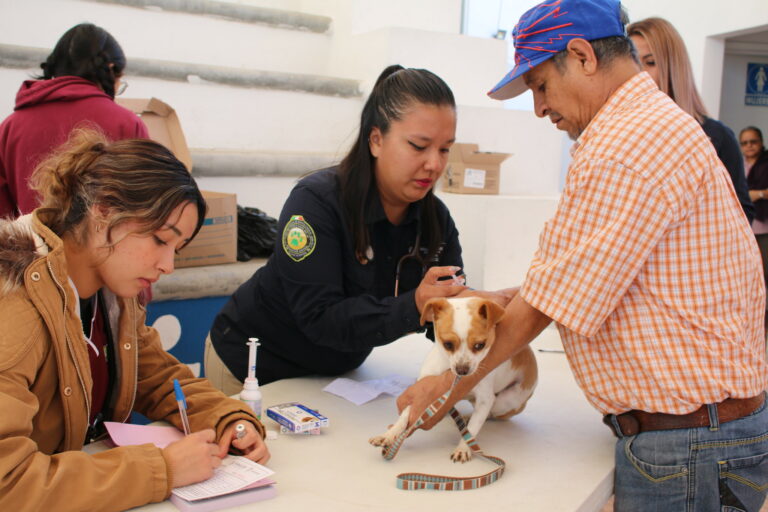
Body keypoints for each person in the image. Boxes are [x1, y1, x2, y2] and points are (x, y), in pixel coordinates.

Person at [397, 1, 768, 510]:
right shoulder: (649, 126)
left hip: (689, 444)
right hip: (699, 435)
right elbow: (585, 276)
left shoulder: (625, 144)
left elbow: (546, 304)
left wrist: (444, 389)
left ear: (582, 56)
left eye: (540, 86)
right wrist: (507, 299)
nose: (539, 108)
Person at [0, 129, 269, 512]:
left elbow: (157, 377)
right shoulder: (14, 304)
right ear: (104, 210)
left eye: (177, 249)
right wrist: (161, 471)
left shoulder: (112, 292)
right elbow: (7, 483)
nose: (168, 266)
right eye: (160, 239)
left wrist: (227, 418)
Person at [206, 65, 473, 392]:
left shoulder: (436, 219)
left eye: (445, 149)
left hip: (336, 375)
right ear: (376, 140)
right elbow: (320, 318)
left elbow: (449, 312)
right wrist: (415, 305)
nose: (434, 164)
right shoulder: (315, 203)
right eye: (419, 146)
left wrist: (481, 312)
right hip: (253, 369)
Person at [0, 22, 148, 218]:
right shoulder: (127, 123)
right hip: (108, 237)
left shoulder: (10, 127)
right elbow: (146, 206)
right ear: (110, 69)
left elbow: (3, 216)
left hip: (32, 237)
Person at [627, 17, 755, 223]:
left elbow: (741, 213)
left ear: (673, 66)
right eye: (632, 62)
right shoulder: (621, 133)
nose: (639, 74)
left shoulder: (716, 136)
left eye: (650, 63)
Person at [741, 126, 768, 315]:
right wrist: (760, 193)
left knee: (764, 271)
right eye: (744, 143)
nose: (749, 146)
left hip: (764, 228)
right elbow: (738, 194)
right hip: (744, 228)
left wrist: (752, 194)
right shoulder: (738, 164)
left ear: (761, 142)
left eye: (753, 141)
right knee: (746, 275)